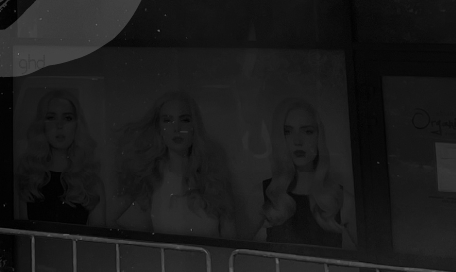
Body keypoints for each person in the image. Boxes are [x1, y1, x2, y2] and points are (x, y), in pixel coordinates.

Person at [113, 91, 236, 238]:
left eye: (184, 120)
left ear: (194, 126)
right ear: (158, 127)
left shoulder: (214, 180)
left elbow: (230, 242)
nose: (176, 128)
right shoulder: (150, 181)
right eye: (167, 120)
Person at [255, 99, 355, 248]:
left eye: (307, 131)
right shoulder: (264, 195)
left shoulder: (342, 200)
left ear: (318, 136)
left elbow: (375, 258)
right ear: (279, 138)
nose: (298, 141)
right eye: (287, 132)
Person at [16, 88, 106, 226]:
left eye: (67, 118)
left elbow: (97, 242)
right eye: (51, 117)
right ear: (41, 124)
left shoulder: (90, 182)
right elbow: (21, 239)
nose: (59, 125)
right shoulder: (29, 179)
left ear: (77, 125)